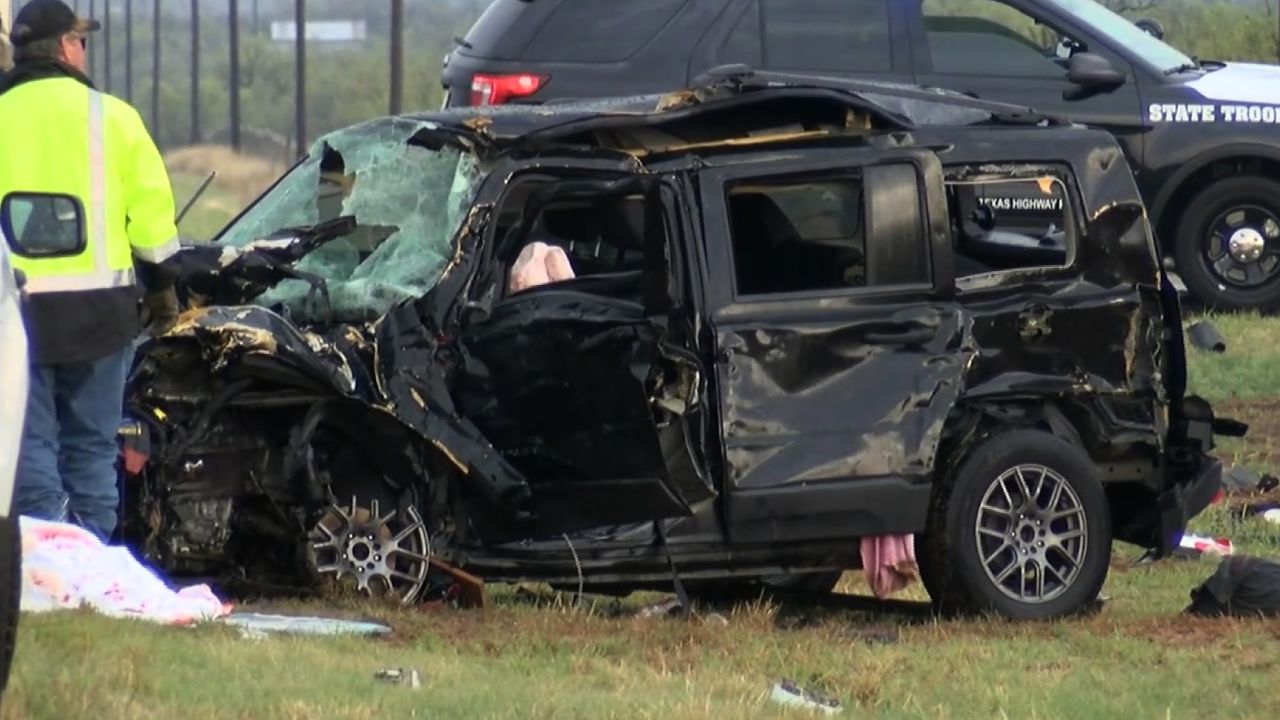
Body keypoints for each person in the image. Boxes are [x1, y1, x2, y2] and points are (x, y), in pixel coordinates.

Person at [0, 0, 181, 541]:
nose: (83, 50)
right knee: (92, 450)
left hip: (16, 315)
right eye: (80, 40)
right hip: (100, 316)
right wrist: (163, 291)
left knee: (27, 446)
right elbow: (151, 220)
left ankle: (44, 570)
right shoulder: (113, 118)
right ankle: (93, 571)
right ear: (64, 47)